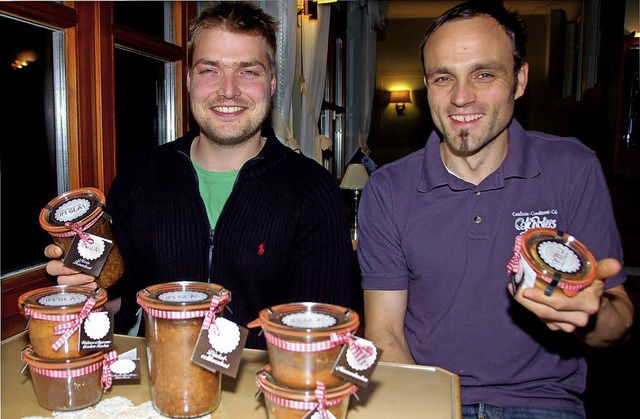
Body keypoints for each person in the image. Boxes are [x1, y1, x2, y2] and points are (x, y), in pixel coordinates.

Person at [357, 2, 634, 418]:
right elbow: (386, 335)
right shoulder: (388, 189)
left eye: (484, 74)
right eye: (443, 78)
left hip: (543, 404)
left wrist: (589, 317)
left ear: (519, 81)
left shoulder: (572, 168)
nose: (461, 97)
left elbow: (620, 320)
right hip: (434, 399)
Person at [44, 1, 353, 350]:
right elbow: (124, 301)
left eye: (248, 71)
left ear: (271, 83)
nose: (229, 90)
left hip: (266, 393)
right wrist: (90, 294)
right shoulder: (138, 178)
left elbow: (326, 334)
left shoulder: (314, 191)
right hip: (160, 385)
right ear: (189, 79)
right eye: (210, 70)